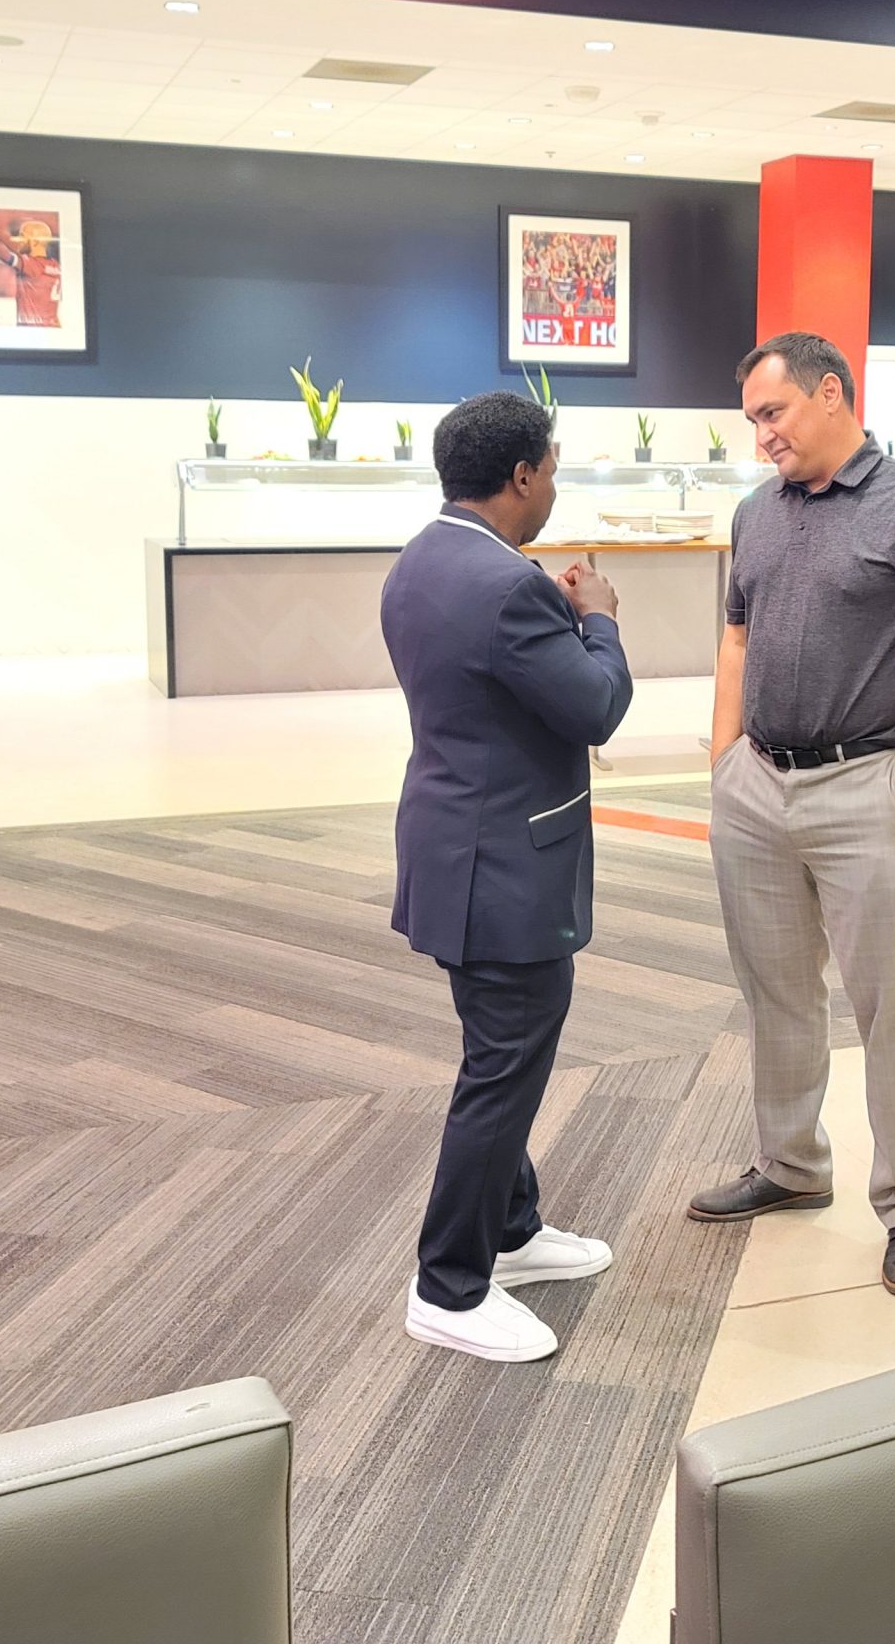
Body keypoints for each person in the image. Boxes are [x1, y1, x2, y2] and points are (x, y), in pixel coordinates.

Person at [692, 332, 895, 1299]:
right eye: (753, 421)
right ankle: (790, 1164)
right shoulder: (756, 513)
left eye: (772, 414)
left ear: (830, 394)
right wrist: (725, 759)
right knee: (774, 990)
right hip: (757, 788)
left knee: (888, 1002)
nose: (762, 437)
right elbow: (736, 639)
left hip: (866, 787)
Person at [380, 390, 633, 1363]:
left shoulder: (421, 560)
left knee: (500, 1052)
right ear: (522, 475)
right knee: (502, 1066)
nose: (553, 488)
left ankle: (513, 1231)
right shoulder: (506, 586)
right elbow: (596, 707)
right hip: (503, 869)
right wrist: (599, 620)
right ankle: (448, 1285)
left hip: (452, 847)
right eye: (553, 472)